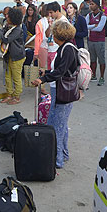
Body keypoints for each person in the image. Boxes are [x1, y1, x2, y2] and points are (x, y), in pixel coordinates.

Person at [32, 20, 79, 169]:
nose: (52, 36)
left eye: (53, 34)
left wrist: (43, 79)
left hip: (63, 92)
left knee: (56, 127)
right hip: (59, 90)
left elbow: (61, 72)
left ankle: (57, 160)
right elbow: (59, 69)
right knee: (61, 125)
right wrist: (46, 73)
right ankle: (63, 154)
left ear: (59, 35)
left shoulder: (68, 49)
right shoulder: (64, 47)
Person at [0, 7, 26, 105]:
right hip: (9, 55)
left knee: (16, 77)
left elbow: (6, 39)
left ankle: (17, 96)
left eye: (9, 16)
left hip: (17, 56)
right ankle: (9, 94)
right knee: (8, 76)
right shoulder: (9, 27)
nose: (6, 17)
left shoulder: (17, 29)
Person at [86, 0, 107, 86]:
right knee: (92, 59)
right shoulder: (89, 15)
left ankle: (102, 77)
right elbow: (85, 26)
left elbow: (100, 28)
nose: (90, 6)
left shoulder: (103, 16)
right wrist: (94, 25)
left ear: (97, 5)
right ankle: (93, 75)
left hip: (100, 41)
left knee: (101, 59)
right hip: (91, 40)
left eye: (92, 4)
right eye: (90, 4)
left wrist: (90, 27)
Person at [45, 1, 67, 72]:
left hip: (57, 50)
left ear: (57, 11)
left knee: (54, 73)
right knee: (49, 72)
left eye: (51, 12)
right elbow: (47, 35)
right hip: (50, 49)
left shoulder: (63, 21)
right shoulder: (53, 20)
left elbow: (65, 38)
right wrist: (49, 26)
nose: (50, 15)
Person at [34, 4, 50, 95]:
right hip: (43, 47)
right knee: (43, 68)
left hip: (47, 47)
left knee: (44, 68)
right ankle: (42, 87)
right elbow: (38, 38)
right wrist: (36, 52)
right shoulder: (40, 22)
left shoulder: (44, 21)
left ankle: (42, 86)